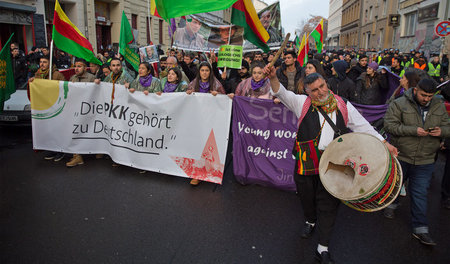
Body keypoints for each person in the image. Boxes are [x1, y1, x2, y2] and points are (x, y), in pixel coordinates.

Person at [264, 64, 397, 264]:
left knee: (328, 205)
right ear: (308, 92)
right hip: (306, 163)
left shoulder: (343, 105)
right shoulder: (302, 103)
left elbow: (362, 126)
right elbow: (281, 93)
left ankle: (322, 248)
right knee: (307, 199)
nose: (320, 92)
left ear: (326, 83)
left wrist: (385, 143)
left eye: (322, 86)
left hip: (336, 164)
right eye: (315, 90)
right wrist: (273, 77)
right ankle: (310, 219)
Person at [383, 78, 450, 246]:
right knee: (396, 184)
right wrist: (413, 131)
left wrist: (442, 131)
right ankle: (392, 204)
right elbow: (389, 125)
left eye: (430, 96)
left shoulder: (438, 106)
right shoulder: (400, 104)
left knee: (419, 193)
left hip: (425, 159)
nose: (426, 99)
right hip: (402, 155)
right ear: (415, 90)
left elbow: (448, 127)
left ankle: (420, 228)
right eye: (423, 95)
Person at [29, 55, 66, 161]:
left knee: (58, 130)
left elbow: (64, 87)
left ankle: (60, 151)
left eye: (45, 62)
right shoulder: (38, 74)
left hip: (55, 106)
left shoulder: (57, 74)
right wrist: (32, 82)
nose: (42, 64)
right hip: (44, 106)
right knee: (49, 130)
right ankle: (52, 149)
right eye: (41, 62)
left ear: (50, 63)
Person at [66, 58, 96, 167]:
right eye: (75, 66)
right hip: (76, 111)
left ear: (85, 67)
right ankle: (77, 156)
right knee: (75, 132)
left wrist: (97, 84)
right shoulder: (72, 78)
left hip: (88, 111)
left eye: (79, 66)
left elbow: (97, 94)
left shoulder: (91, 78)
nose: (76, 68)